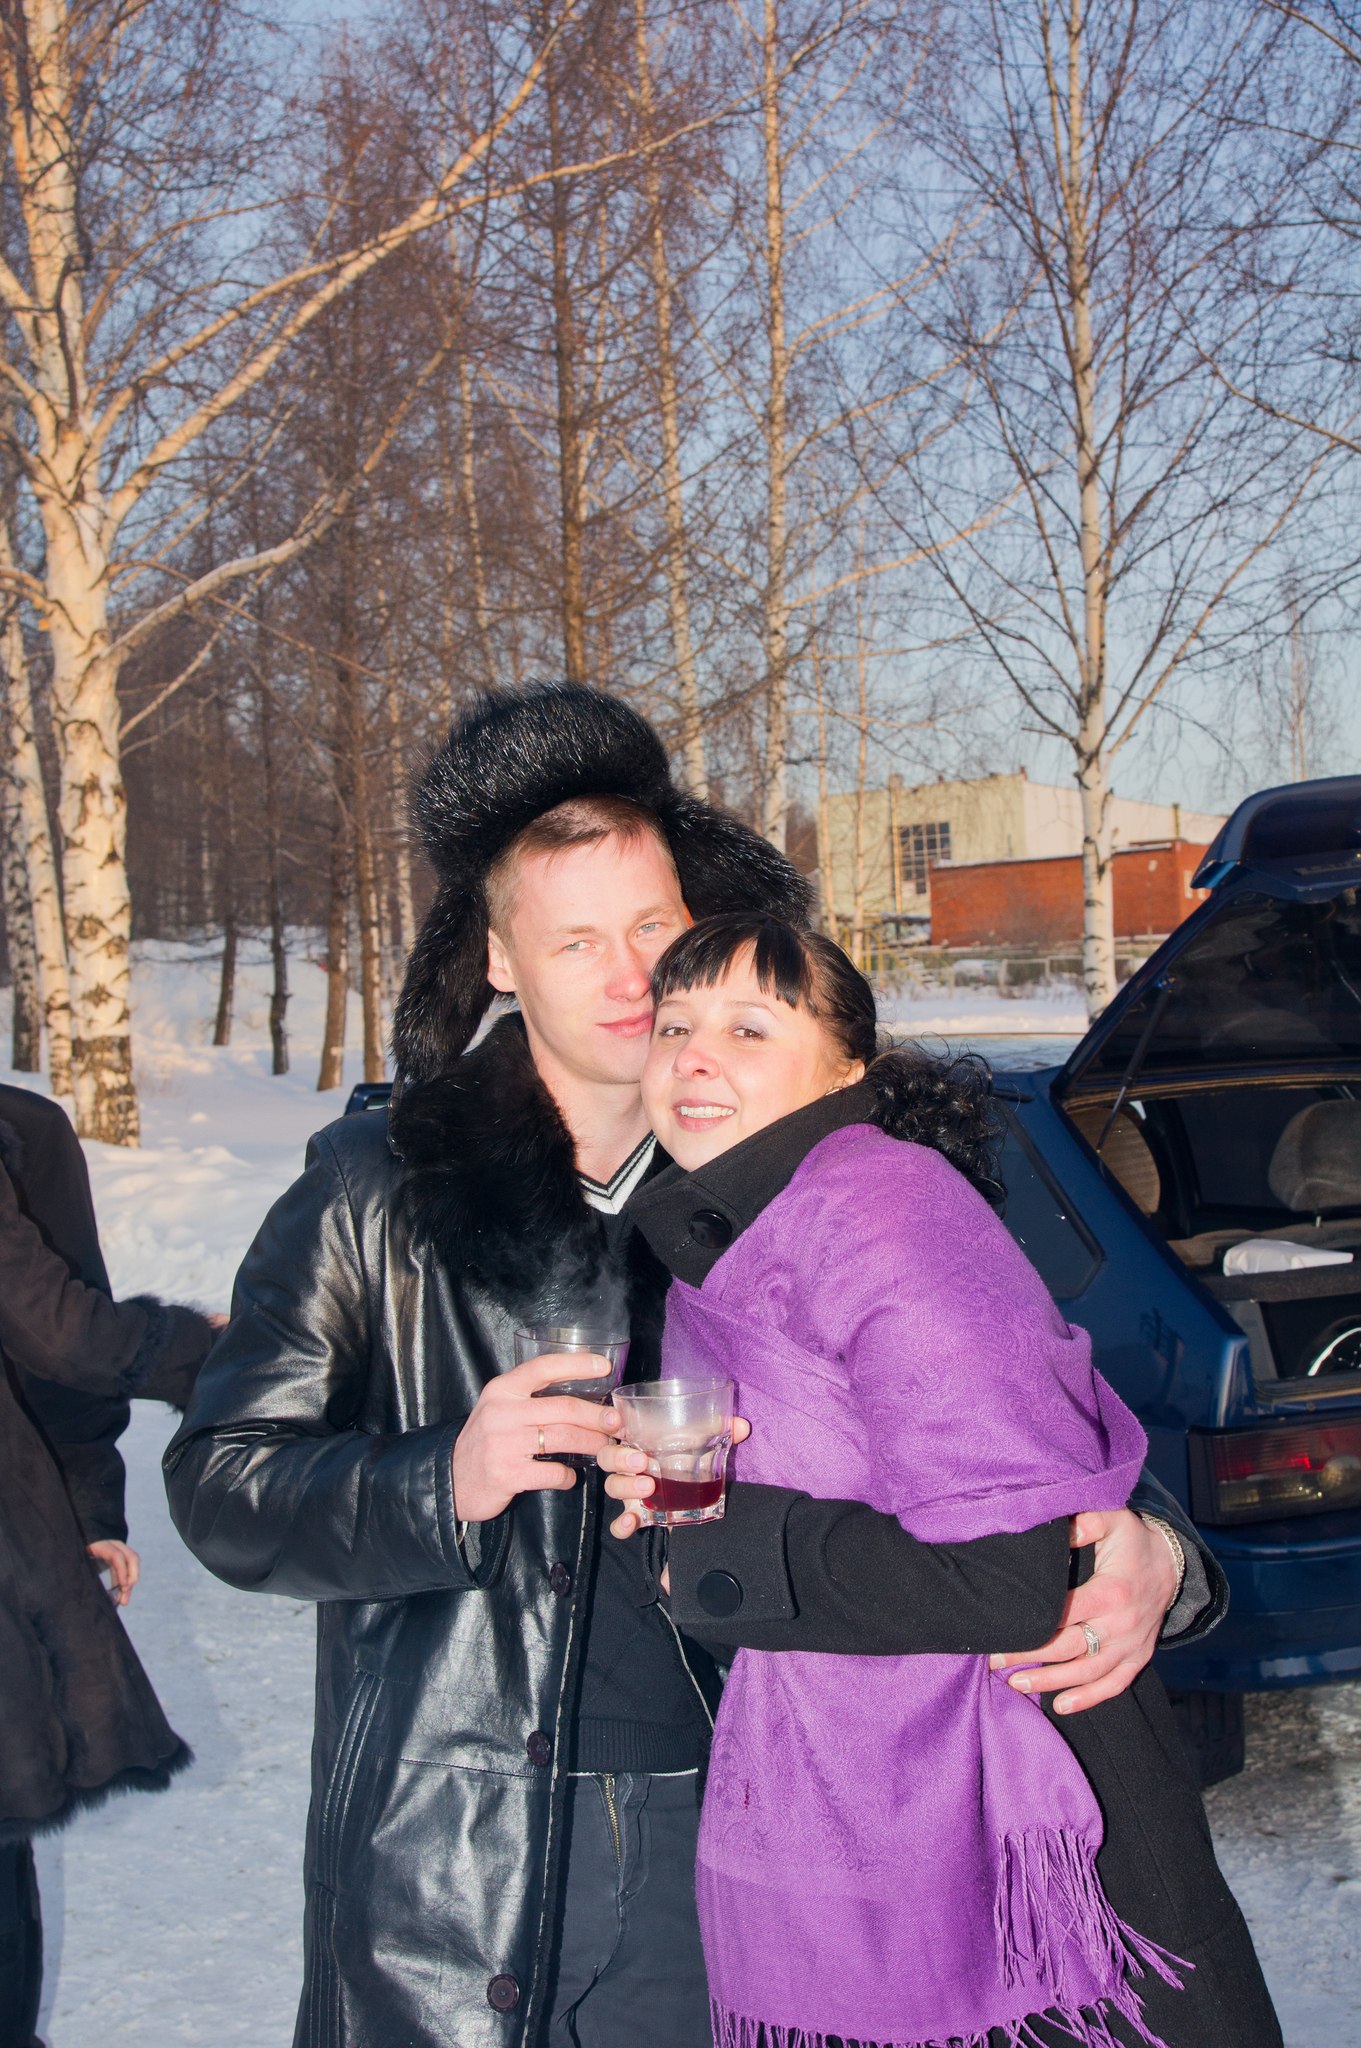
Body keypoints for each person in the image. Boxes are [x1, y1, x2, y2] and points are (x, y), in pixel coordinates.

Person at [163, 683, 1222, 2048]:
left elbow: (1022, 1412)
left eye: (652, 929)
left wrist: (1156, 1552)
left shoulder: (833, 1188)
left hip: (763, 1830)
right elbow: (221, 1481)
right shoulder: (376, 1189)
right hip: (461, 1854)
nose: (627, 979)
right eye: (575, 940)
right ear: (497, 960)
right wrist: (443, 1477)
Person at [608, 913, 1279, 2048]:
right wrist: (663, 1521)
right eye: (673, 1027)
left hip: (1034, 1840)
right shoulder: (724, 1245)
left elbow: (1003, 1569)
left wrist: (714, 1551)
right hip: (877, 1808)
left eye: (747, 1027)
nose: (693, 1057)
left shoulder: (881, 1209)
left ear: (847, 1068)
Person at [0, 1086, 217, 2046]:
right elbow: (59, 1329)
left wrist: (83, 1511)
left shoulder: (22, 1133)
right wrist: (209, 1351)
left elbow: (52, 1364)